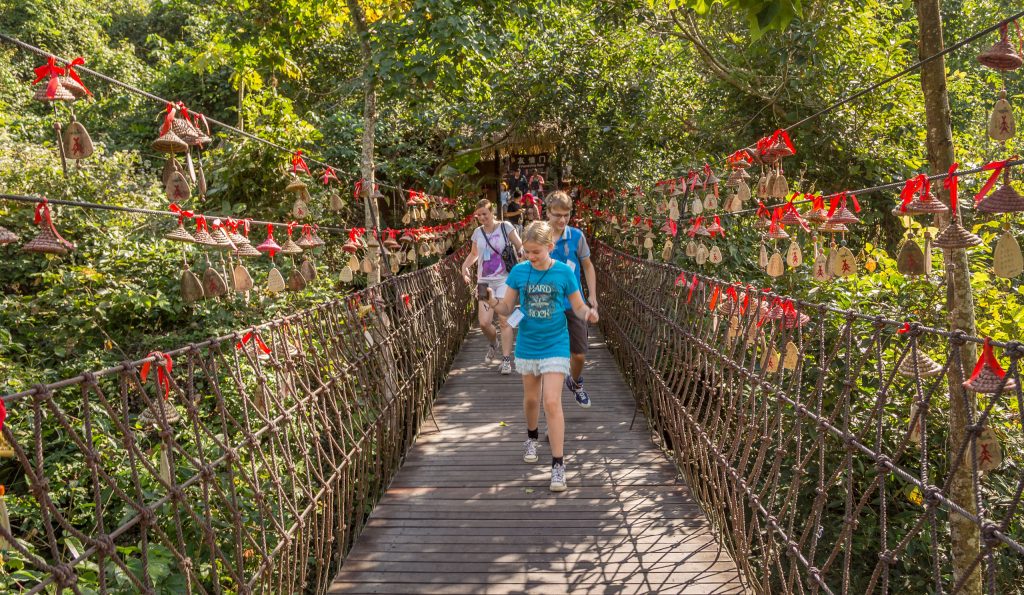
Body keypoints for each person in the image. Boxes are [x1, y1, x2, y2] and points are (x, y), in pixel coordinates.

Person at [485, 221, 599, 492]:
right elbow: (507, 307)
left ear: (550, 247)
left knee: (551, 401)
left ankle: (558, 465)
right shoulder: (519, 272)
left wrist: (589, 314)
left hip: (556, 343)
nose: (529, 256)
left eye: (535, 252)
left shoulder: (563, 273)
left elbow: (578, 306)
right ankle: (532, 436)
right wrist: (492, 302)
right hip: (528, 343)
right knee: (531, 399)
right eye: (526, 251)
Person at [545, 190, 598, 408]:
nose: (562, 220)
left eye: (566, 215)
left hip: (574, 303)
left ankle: (575, 382)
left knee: (579, 355)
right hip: (546, 306)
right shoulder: (538, 235)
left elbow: (587, 265)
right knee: (550, 363)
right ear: (547, 212)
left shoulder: (576, 236)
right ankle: (551, 414)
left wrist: (592, 295)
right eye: (557, 214)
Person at [461, 199, 523, 375]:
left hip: (505, 280)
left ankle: (505, 360)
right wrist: (464, 267)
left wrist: (525, 257)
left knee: (504, 320)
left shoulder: (506, 227)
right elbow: (474, 254)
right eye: (478, 215)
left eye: (484, 214)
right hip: (484, 281)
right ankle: (494, 342)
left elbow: (520, 246)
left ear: (492, 213)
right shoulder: (477, 233)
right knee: (484, 322)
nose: (481, 217)